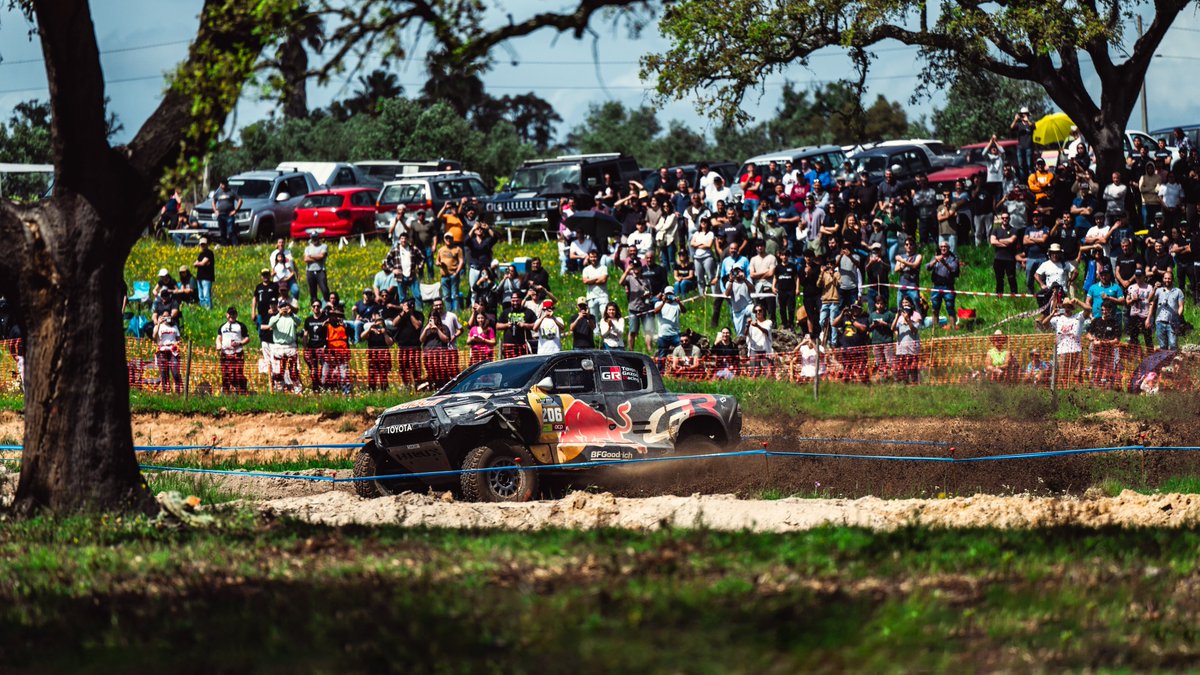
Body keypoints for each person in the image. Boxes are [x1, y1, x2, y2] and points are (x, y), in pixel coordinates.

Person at [1037, 296, 1089, 385]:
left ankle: (1077, 394)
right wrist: (1052, 314)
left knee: (1078, 375)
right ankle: (1064, 394)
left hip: (1076, 350)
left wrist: (1078, 301)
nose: (1066, 308)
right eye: (1064, 306)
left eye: (1069, 306)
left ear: (1072, 308)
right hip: (1062, 351)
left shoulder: (1078, 317)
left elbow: (1088, 309)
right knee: (1063, 376)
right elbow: (1044, 323)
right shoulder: (1058, 319)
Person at [420, 298, 460, 389]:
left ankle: (442, 388)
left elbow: (446, 339)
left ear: (438, 318)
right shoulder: (425, 328)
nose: (433, 320)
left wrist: (437, 329)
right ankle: (432, 387)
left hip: (441, 355)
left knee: (442, 373)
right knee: (430, 372)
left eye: (435, 318)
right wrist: (427, 329)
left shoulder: (444, 327)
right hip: (428, 355)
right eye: (431, 318)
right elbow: (421, 340)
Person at [264, 299, 302, 393]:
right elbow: (270, 325)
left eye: (286, 306)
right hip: (278, 346)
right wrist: (279, 314)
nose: (284, 308)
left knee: (293, 370)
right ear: (279, 307)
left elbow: (299, 322)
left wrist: (291, 314)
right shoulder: (275, 318)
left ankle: (297, 390)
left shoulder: (292, 317)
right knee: (278, 371)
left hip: (290, 346)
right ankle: (279, 390)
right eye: (282, 306)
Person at [620, 256, 654, 351]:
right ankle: (631, 349)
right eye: (634, 267)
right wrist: (627, 271)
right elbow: (620, 282)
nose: (635, 269)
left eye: (637, 267)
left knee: (648, 330)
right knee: (633, 330)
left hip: (645, 307)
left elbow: (650, 293)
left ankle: (649, 349)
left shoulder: (646, 280)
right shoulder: (630, 278)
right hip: (633, 308)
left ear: (640, 268)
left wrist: (647, 295)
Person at [1087, 300, 1123, 386]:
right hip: (1095, 349)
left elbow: (1117, 340)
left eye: (1106, 310)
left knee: (1107, 369)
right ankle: (1093, 385)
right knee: (1094, 367)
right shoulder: (1096, 321)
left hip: (1108, 350)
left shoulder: (1115, 323)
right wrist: (1093, 339)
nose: (1104, 312)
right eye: (1102, 310)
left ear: (1110, 310)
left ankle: (1106, 387)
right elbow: (1088, 334)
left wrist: (1104, 342)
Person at [926, 241, 960, 330]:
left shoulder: (953, 258)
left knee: (950, 307)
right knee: (935, 308)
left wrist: (944, 263)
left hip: (948, 286)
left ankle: (953, 327)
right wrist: (935, 261)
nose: (943, 248)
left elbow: (954, 270)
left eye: (945, 247)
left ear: (949, 248)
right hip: (936, 286)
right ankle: (935, 329)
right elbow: (927, 267)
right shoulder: (936, 257)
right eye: (941, 247)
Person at [216, 306, 250, 394]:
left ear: (236, 315)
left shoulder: (241, 326)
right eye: (230, 313)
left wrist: (240, 343)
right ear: (227, 315)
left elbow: (247, 338)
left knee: (237, 373)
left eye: (234, 314)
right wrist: (218, 344)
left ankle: (241, 391)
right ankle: (226, 392)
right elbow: (219, 337)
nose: (232, 315)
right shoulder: (222, 326)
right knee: (225, 373)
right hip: (225, 353)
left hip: (237, 353)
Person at [1148, 269, 1185, 350]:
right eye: (1165, 278)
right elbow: (1149, 300)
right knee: (1162, 346)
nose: (1167, 280)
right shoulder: (1158, 290)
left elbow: (1181, 306)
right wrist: (1154, 288)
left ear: (1172, 279)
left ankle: (1175, 362)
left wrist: (1177, 317)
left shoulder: (1178, 291)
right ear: (1163, 279)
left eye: (1169, 278)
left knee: (1173, 345)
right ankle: (1165, 362)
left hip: (1172, 323)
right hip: (1159, 322)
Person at [392, 298, 424, 387]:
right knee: (403, 368)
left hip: (415, 346)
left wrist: (410, 314)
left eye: (413, 304)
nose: (412, 305)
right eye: (409, 304)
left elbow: (417, 326)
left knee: (416, 368)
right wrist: (403, 312)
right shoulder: (401, 314)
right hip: (402, 347)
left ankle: (418, 385)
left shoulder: (418, 314)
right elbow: (394, 323)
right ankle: (407, 386)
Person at [497, 292, 535, 358]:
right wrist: (506, 325)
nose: (515, 303)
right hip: (509, 344)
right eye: (513, 301)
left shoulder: (528, 311)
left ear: (521, 300)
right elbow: (497, 326)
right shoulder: (506, 312)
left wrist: (525, 325)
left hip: (523, 344)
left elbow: (535, 325)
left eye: (517, 301)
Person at [892, 295, 921, 384]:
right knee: (901, 371)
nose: (904, 304)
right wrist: (897, 316)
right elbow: (892, 328)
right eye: (903, 303)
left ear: (911, 304)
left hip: (912, 348)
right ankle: (903, 386)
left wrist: (908, 320)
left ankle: (914, 385)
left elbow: (915, 330)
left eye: (907, 302)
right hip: (901, 349)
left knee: (912, 370)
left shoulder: (916, 315)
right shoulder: (900, 316)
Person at [323, 310, 352, 394]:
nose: (337, 318)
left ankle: (346, 391)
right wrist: (324, 324)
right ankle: (328, 391)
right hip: (331, 354)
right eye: (335, 316)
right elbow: (320, 334)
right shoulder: (327, 326)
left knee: (344, 374)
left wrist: (346, 327)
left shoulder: (345, 326)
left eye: (339, 316)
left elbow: (351, 336)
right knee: (327, 374)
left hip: (343, 354)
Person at [990, 213, 1020, 294]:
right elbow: (992, 241)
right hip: (998, 258)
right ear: (1001, 219)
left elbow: (1011, 241)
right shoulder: (996, 230)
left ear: (1009, 219)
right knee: (999, 279)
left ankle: (1014, 296)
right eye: (1003, 218)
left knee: (1011, 278)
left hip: (1010, 258)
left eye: (1006, 218)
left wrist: (999, 240)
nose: (1004, 219)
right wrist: (1006, 243)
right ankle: (999, 296)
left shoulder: (1014, 230)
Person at [1124, 267, 1155, 347]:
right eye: (1136, 276)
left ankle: (1150, 356)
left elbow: (1152, 303)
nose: (1138, 278)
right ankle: (1135, 355)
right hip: (1134, 315)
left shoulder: (1149, 287)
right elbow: (1127, 302)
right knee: (1133, 338)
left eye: (1140, 276)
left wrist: (1149, 318)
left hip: (1145, 315)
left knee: (1148, 338)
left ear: (1144, 276)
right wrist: (1133, 300)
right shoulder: (1131, 287)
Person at [301, 300, 328, 391]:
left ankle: (322, 385)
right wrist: (304, 348)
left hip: (322, 347)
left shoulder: (325, 318)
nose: (316, 308)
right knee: (313, 369)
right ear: (312, 308)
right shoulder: (308, 320)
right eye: (314, 306)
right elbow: (305, 334)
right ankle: (315, 387)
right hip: (311, 347)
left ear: (320, 307)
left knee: (323, 369)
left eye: (318, 306)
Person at [867, 295, 895, 380]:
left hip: (887, 341)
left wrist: (884, 324)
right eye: (878, 303)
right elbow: (868, 329)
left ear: (884, 304)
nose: (880, 305)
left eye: (881, 303)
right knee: (880, 362)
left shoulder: (889, 314)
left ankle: (893, 377)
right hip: (876, 341)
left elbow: (893, 327)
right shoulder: (872, 315)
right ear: (875, 304)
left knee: (890, 361)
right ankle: (883, 379)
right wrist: (873, 325)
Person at [153, 313, 183, 393]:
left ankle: (178, 392)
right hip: (162, 351)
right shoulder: (158, 326)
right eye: (164, 316)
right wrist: (159, 323)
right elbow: (154, 336)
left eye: (168, 316)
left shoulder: (174, 326)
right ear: (161, 317)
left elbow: (178, 339)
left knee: (176, 372)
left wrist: (178, 343)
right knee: (164, 373)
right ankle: (166, 392)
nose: (166, 318)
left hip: (173, 351)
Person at [435, 232, 464, 311]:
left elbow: (461, 261)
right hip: (444, 275)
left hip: (454, 274)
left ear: (452, 239)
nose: (448, 239)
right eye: (446, 238)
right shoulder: (441, 250)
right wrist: (439, 264)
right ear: (444, 239)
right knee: (446, 295)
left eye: (450, 238)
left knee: (455, 295)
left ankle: (456, 312)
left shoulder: (457, 249)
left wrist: (457, 272)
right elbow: (436, 261)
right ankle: (448, 311)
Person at [363, 316, 394, 390]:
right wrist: (370, 329)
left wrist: (385, 334)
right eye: (377, 325)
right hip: (372, 356)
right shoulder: (371, 332)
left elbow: (390, 343)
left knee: (383, 375)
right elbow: (362, 336)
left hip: (384, 356)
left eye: (381, 325)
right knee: (372, 375)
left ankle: (384, 390)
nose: (379, 327)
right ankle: (371, 390)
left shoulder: (387, 332)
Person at [652, 287, 685, 359]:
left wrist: (679, 302)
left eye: (671, 294)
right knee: (662, 355)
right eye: (667, 294)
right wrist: (663, 302)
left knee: (680, 353)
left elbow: (684, 311)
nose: (669, 296)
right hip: (663, 334)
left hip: (675, 333)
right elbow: (655, 311)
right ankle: (660, 369)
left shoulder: (677, 305)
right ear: (664, 295)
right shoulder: (658, 303)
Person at [744, 303, 773, 376]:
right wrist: (747, 325)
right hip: (754, 349)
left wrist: (757, 325)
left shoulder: (768, 322)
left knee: (768, 372)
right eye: (755, 311)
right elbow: (745, 334)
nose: (758, 312)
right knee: (754, 373)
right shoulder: (751, 324)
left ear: (763, 311)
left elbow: (766, 331)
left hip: (765, 350)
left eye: (760, 310)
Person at [211, 178, 241, 245]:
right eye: (221, 184)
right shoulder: (217, 193)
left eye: (224, 184)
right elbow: (213, 201)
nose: (223, 185)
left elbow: (240, 200)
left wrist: (236, 210)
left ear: (227, 184)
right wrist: (215, 210)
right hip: (220, 215)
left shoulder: (231, 192)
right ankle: (224, 245)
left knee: (231, 231)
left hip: (229, 214)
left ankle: (235, 245)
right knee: (222, 232)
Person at [303, 233, 330, 304]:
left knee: (324, 289)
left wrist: (311, 256)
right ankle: (314, 306)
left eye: (315, 237)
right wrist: (317, 258)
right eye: (313, 238)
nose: (314, 239)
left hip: (320, 270)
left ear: (318, 238)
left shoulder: (323, 246)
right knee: (312, 291)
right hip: (310, 271)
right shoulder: (307, 248)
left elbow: (321, 256)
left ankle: (328, 304)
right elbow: (306, 259)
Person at [1010, 106, 1035, 178]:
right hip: (1020, 147)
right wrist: (1015, 119)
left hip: (1029, 147)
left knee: (1029, 165)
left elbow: (1033, 127)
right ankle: (1023, 181)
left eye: (1025, 114)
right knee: (1021, 165)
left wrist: (1027, 120)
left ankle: (1031, 180)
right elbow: (1011, 127)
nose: (1023, 115)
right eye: (1022, 114)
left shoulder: (1031, 123)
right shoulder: (1019, 124)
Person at [192, 237, 215, 309]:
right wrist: (198, 263)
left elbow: (202, 263)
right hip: (199, 277)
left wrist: (198, 263)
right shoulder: (200, 254)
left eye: (204, 244)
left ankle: (208, 309)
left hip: (207, 277)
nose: (202, 246)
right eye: (201, 244)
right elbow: (195, 264)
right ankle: (203, 308)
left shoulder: (209, 253)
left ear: (207, 244)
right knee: (200, 295)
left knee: (206, 295)